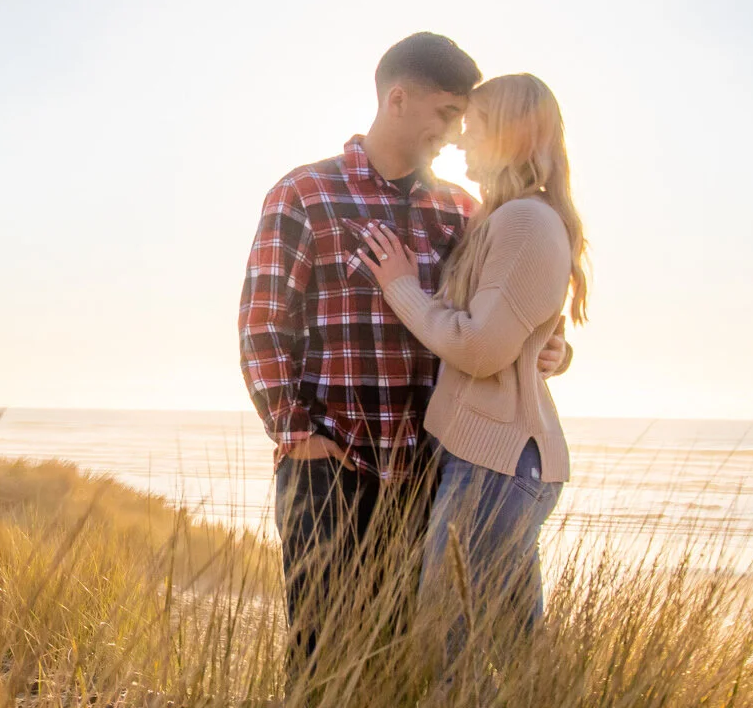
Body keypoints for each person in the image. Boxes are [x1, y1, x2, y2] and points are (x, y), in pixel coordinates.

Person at [239, 35, 570, 672]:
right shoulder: (305, 194)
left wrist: (549, 348)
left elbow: (498, 313)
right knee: (320, 660)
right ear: (398, 99)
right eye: (448, 114)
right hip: (330, 465)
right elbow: (262, 323)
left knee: (398, 664)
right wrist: (294, 431)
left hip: (427, 472)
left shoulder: (461, 210)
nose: (456, 133)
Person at [352, 73, 587, 661]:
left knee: (459, 655)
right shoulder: (501, 218)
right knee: (506, 650)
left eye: (473, 125)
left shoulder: (524, 222)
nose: (458, 140)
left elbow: (482, 348)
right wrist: (549, 351)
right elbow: (522, 331)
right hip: (491, 457)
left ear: (508, 135)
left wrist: (402, 289)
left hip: (494, 463)